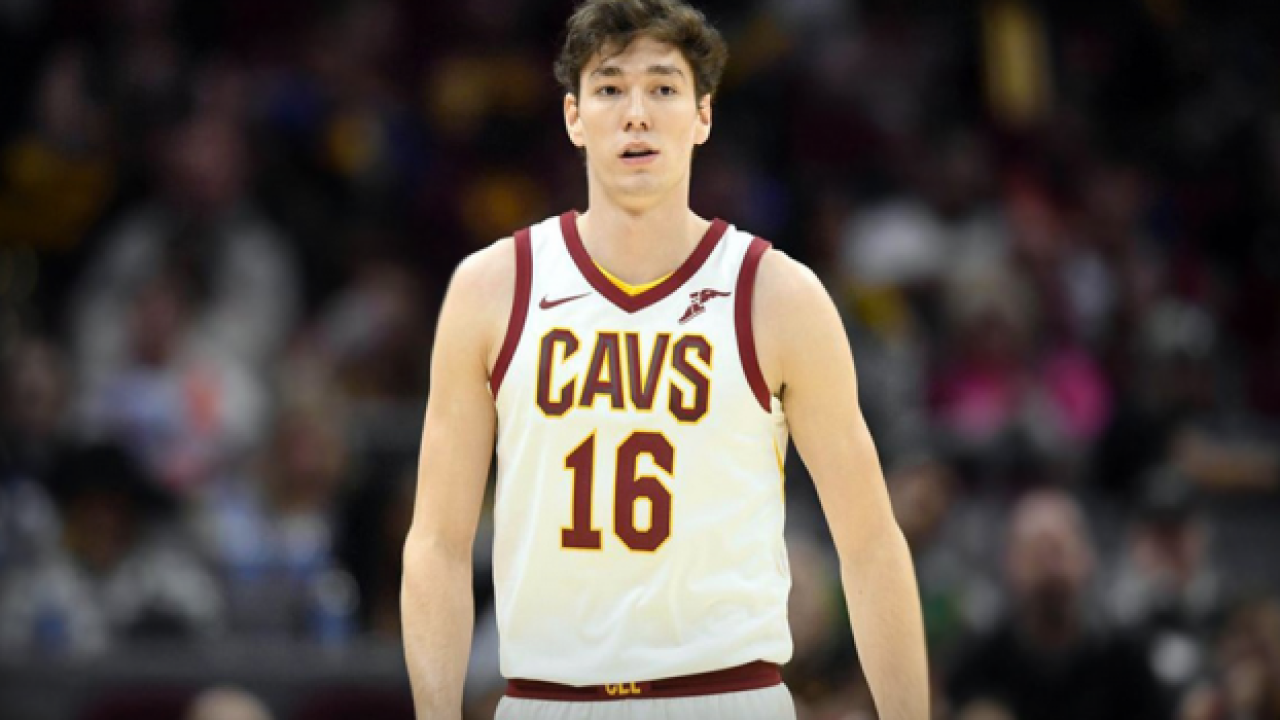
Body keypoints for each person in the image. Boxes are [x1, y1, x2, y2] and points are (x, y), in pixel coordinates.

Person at [400, 1, 929, 718]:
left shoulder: (777, 295)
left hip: (727, 696)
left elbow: (869, 543)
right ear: (574, 117)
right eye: (609, 88)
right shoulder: (492, 288)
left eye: (663, 87)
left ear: (703, 115)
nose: (637, 114)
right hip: (547, 699)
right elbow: (437, 543)